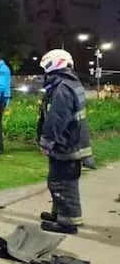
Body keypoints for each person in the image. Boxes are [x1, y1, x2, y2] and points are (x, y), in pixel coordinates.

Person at [36, 49, 92, 234]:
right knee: (59, 181)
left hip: (66, 144)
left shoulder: (63, 88)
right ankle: (60, 215)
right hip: (70, 142)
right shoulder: (69, 84)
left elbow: (58, 119)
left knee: (62, 184)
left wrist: (47, 142)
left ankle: (67, 222)